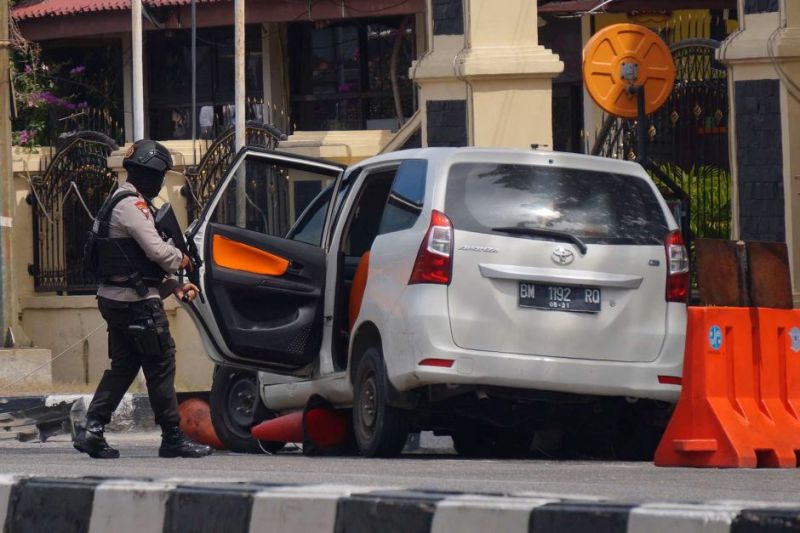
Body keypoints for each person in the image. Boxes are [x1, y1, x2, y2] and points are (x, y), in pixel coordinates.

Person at [73, 139, 212, 459]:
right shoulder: (132, 206)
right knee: (161, 362)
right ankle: (173, 437)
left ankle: (92, 428)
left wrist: (174, 286)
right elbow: (158, 252)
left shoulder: (118, 201)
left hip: (118, 298)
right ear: (150, 173)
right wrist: (184, 260)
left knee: (124, 366)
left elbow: (138, 261)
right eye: (161, 175)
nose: (162, 181)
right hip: (135, 303)